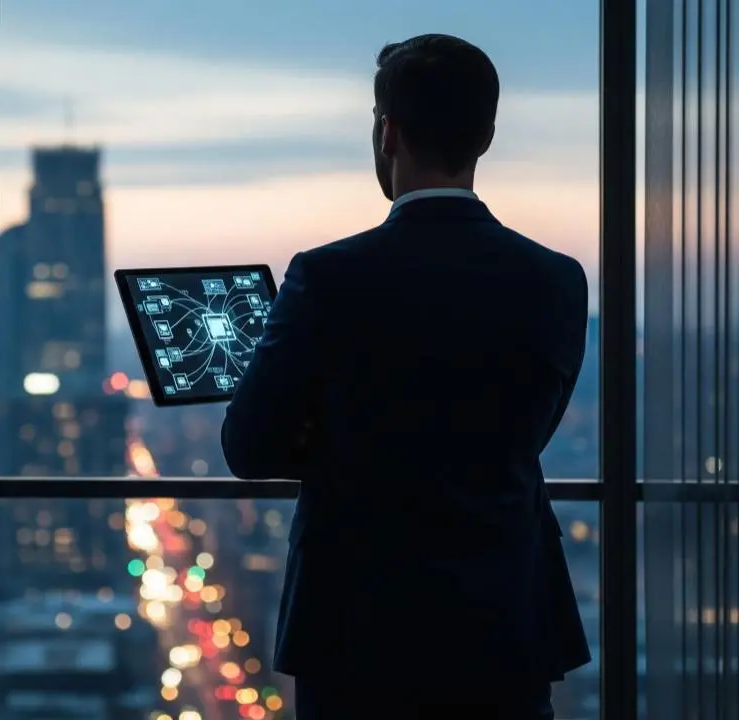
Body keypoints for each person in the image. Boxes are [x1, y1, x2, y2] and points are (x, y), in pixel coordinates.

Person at [221, 34, 591, 719]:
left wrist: (333, 436)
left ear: (387, 133)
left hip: (358, 624)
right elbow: (523, 433)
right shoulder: (557, 280)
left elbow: (249, 449)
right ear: (484, 136)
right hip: (504, 614)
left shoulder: (328, 276)